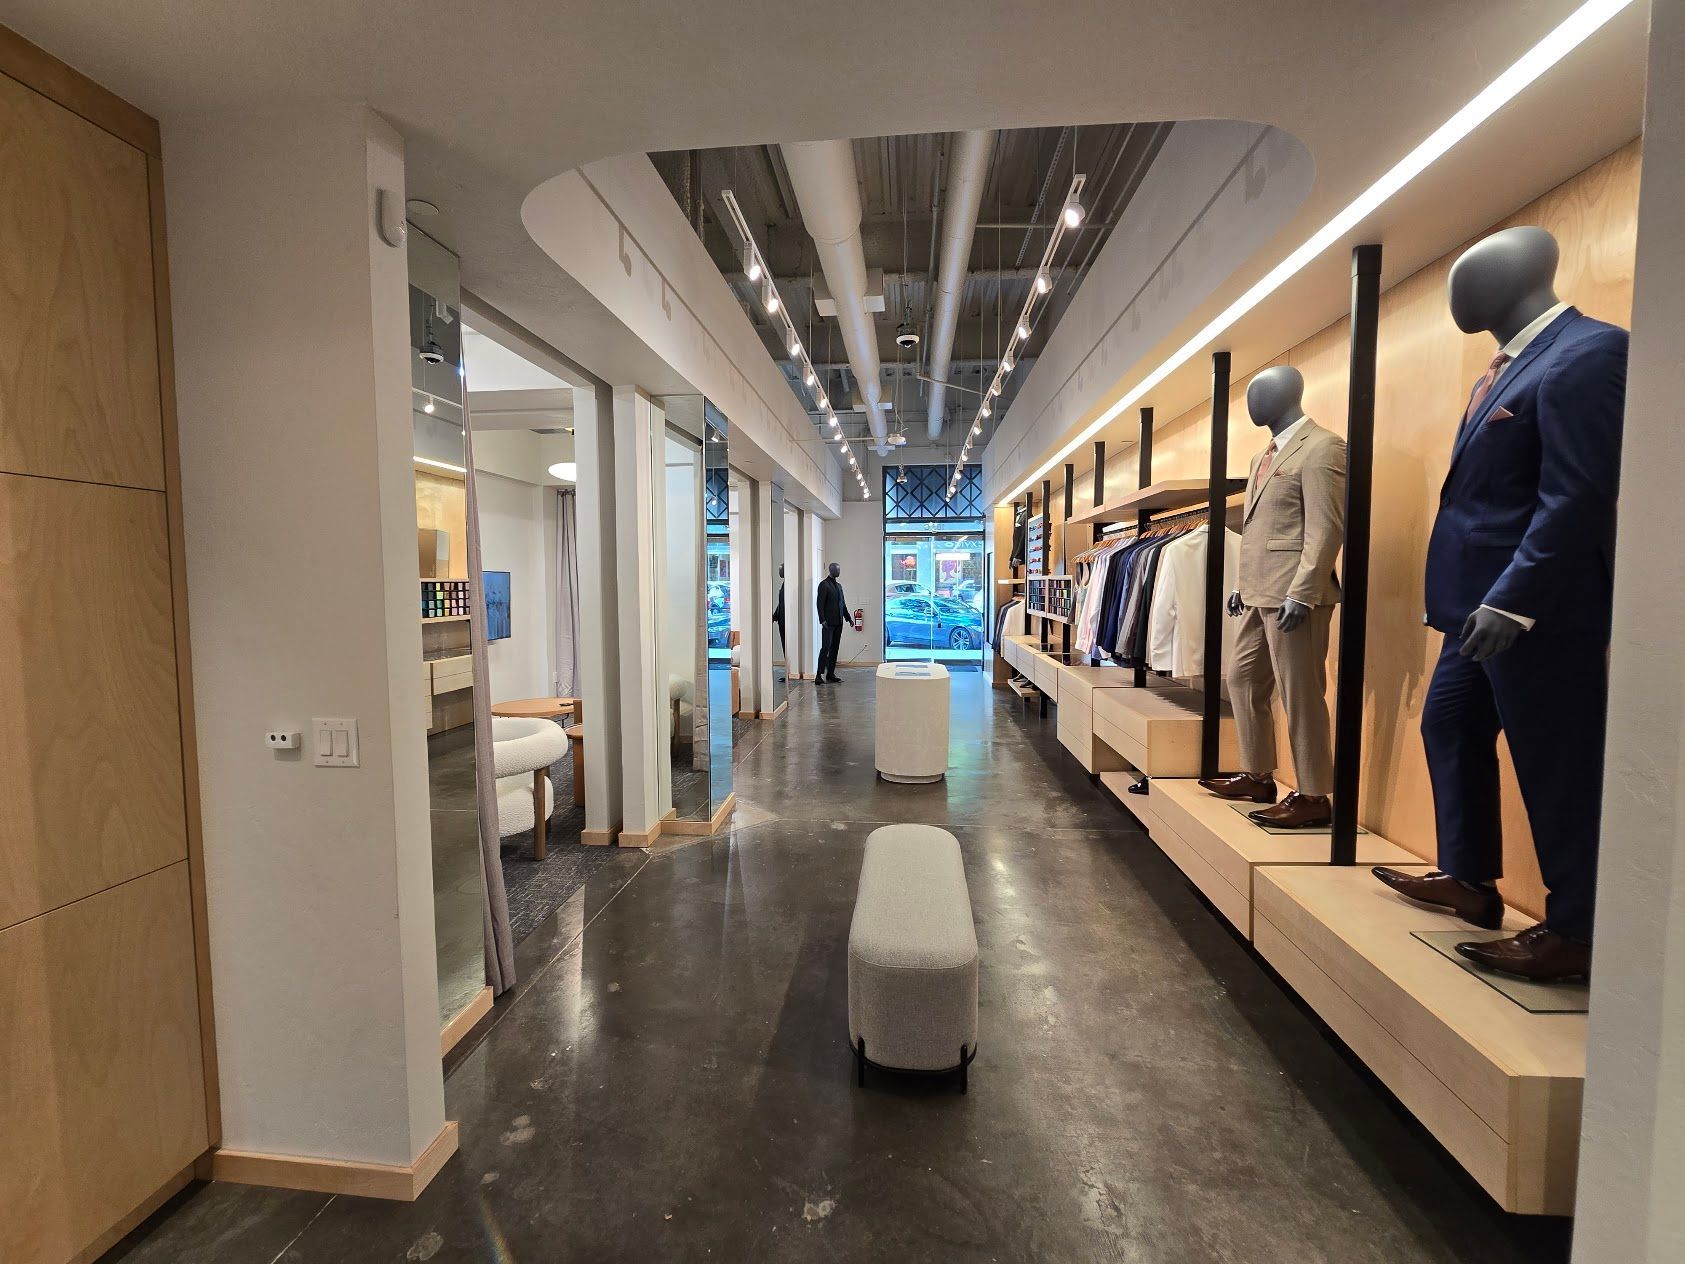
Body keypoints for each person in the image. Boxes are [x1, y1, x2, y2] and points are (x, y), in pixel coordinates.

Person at [816, 562, 847, 684]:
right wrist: (822, 619)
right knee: (825, 648)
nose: (838, 572)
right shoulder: (824, 585)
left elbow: (842, 604)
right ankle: (818, 675)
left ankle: (830, 674)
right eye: (836, 570)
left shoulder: (839, 586)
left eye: (839, 569)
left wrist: (848, 618)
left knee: (834, 648)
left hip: (838, 622)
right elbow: (820, 604)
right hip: (828, 623)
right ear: (830, 570)